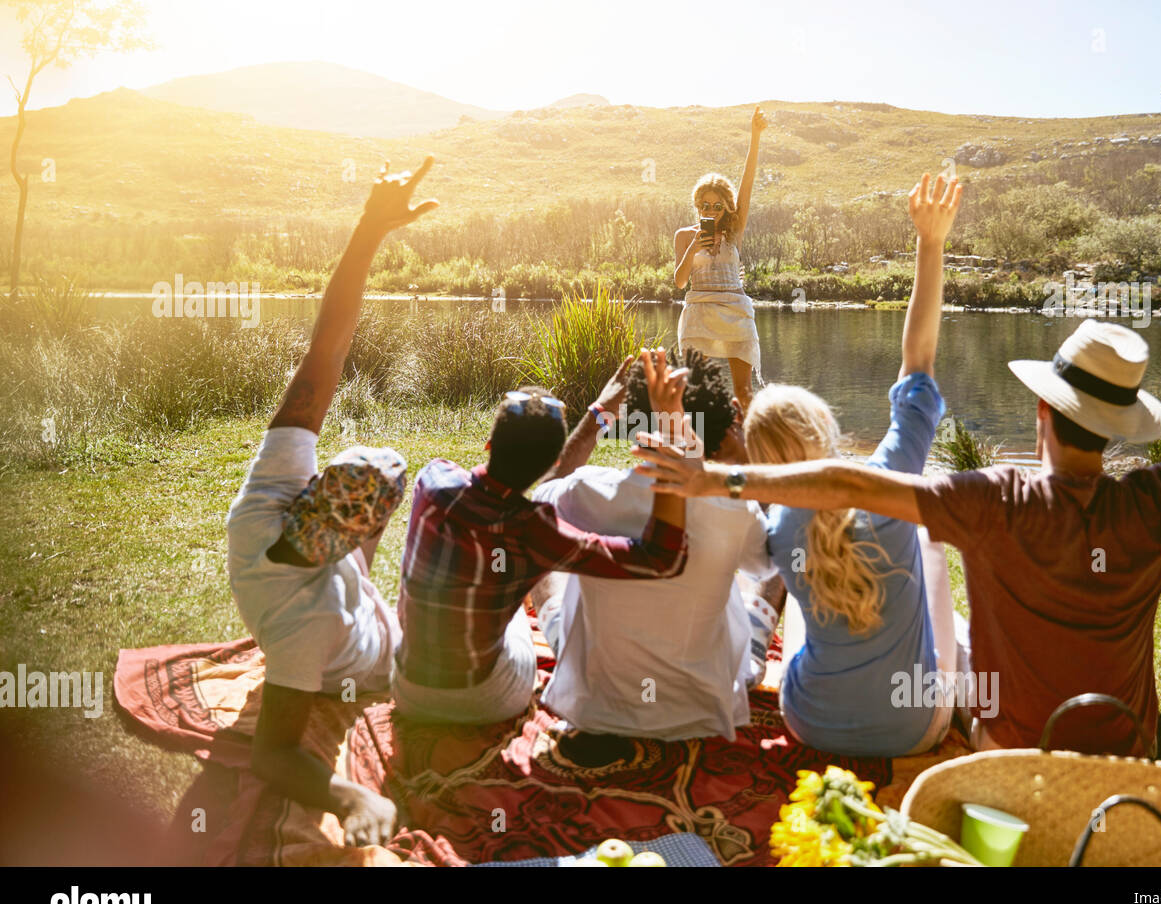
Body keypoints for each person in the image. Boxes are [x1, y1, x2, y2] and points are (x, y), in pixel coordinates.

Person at [635, 242, 1161, 759]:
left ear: (1042, 407)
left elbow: (846, 486)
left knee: (903, 547)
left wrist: (711, 480)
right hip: (1127, 754)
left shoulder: (996, 500)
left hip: (1003, 755)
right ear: (1123, 424)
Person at [226, 156, 438, 847]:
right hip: (390, 669)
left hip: (342, 601)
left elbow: (328, 348)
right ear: (365, 528)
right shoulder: (304, 632)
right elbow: (271, 752)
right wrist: (345, 796)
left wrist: (368, 232)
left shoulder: (267, 499)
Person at [739, 171, 964, 757]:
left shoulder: (777, 528)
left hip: (808, 722)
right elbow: (919, 361)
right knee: (930, 539)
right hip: (913, 730)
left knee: (795, 597)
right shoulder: (888, 477)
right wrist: (930, 243)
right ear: (822, 429)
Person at [394, 349, 691, 727]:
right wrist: (671, 458)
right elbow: (660, 559)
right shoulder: (535, 531)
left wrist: (598, 412)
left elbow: (524, 497)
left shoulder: (435, 479)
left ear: (488, 444)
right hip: (484, 700)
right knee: (518, 604)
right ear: (552, 464)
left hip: (406, 687)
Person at [528, 348, 781, 747]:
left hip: (596, 703)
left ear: (635, 419)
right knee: (777, 553)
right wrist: (745, 459)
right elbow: (768, 563)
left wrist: (598, 414)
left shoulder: (588, 491)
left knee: (542, 543)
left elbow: (537, 501)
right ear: (720, 427)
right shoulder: (739, 508)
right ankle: (751, 655)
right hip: (704, 707)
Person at [674, 105, 768, 412]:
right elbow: (679, 282)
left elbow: (748, 180)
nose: (710, 211)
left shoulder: (735, 230)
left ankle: (749, 451)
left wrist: (755, 136)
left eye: (716, 205)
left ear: (726, 207)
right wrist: (694, 248)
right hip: (698, 313)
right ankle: (699, 451)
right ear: (697, 206)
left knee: (744, 392)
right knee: (695, 392)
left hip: (735, 313)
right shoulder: (684, 235)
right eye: (704, 205)